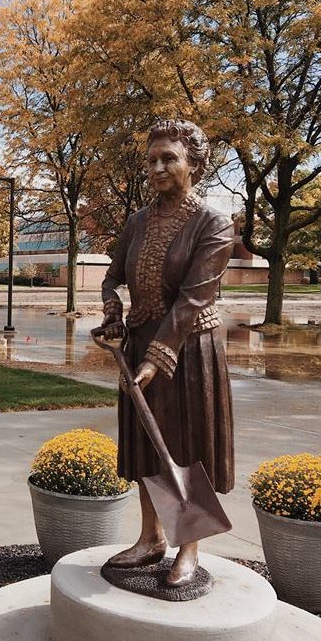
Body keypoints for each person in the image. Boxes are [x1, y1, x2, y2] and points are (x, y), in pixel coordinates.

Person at [100, 119, 234, 588]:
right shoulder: (136, 221)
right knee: (144, 445)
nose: (157, 167)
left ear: (194, 164)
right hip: (137, 340)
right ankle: (150, 537)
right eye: (152, 159)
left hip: (190, 348)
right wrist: (114, 309)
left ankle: (189, 546)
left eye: (169, 158)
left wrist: (158, 357)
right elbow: (110, 276)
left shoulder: (213, 223)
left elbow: (193, 298)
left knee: (184, 446)